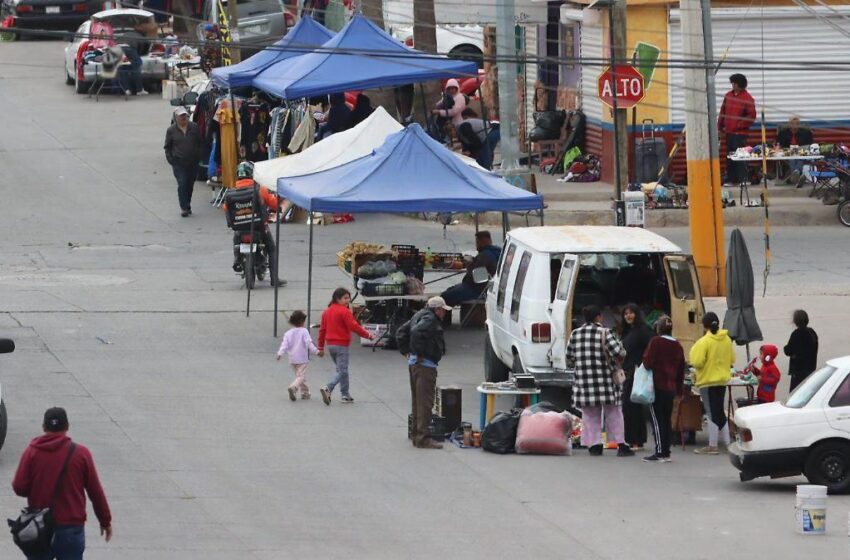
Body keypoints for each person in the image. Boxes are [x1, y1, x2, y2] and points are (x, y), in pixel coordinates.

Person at [12, 407, 112, 560]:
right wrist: (105, 520)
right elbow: (95, 491)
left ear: (44, 427)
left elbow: (19, 487)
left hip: (40, 528)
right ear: (67, 427)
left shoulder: (31, 452)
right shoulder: (81, 453)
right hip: (71, 527)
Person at [566, 305, 633, 457]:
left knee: (590, 414)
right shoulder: (605, 332)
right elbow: (619, 352)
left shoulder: (575, 334)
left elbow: (569, 357)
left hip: (585, 382)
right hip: (606, 382)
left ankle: (594, 445)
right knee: (614, 413)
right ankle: (621, 445)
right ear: (599, 317)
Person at [395, 296, 450, 449]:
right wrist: (418, 353)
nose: (444, 314)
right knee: (425, 402)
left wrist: (407, 352)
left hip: (414, 364)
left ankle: (416, 434)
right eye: (443, 310)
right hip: (425, 365)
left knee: (417, 401)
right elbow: (416, 331)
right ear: (438, 309)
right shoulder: (430, 319)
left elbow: (401, 332)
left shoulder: (418, 314)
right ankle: (423, 438)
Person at [222, 161, 286, 287]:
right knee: (272, 248)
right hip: (259, 227)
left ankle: (237, 259)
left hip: (239, 229)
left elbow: (226, 209)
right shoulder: (260, 189)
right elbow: (274, 203)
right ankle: (274, 279)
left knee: (236, 240)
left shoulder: (231, 191)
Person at [641, 315, 686, 463]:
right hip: (671, 388)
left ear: (658, 328)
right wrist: (680, 392)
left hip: (657, 386)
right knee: (666, 420)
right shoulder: (678, 346)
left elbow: (647, 362)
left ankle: (660, 452)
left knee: (657, 420)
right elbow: (681, 371)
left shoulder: (656, 342)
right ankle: (666, 451)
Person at [689, 312, 734, 455]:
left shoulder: (704, 342)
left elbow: (696, 362)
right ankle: (728, 443)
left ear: (704, 326)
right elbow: (732, 359)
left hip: (707, 381)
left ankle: (712, 445)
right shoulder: (726, 339)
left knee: (711, 412)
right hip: (722, 380)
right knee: (719, 411)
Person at [318, 288, 373, 405]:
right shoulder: (345, 311)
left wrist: (321, 347)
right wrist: (367, 334)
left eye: (348, 298)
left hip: (331, 345)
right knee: (342, 370)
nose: (348, 301)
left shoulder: (326, 312)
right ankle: (328, 387)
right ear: (338, 299)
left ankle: (345, 394)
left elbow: (322, 330)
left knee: (342, 370)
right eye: (345, 298)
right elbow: (354, 326)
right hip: (342, 345)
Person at [619, 304, 654, 451]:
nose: (628, 316)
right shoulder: (628, 331)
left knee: (630, 406)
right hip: (628, 372)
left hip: (638, 372)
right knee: (633, 406)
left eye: (631, 313)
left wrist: (643, 365)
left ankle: (633, 440)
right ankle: (636, 440)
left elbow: (652, 347)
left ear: (637, 314)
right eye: (626, 313)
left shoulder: (643, 330)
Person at [441, 231, 501, 306]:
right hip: (484, 288)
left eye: (477, 242)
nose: (476, 246)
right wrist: (474, 261)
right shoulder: (496, 252)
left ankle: (442, 316)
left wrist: (469, 264)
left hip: (478, 290)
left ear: (480, 242)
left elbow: (478, 278)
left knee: (444, 297)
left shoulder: (484, 256)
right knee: (450, 291)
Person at [164, 106, 203, 217]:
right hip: (178, 163)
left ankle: (187, 204)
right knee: (182, 183)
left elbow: (200, 142)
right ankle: (184, 207)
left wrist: (199, 156)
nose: (183, 118)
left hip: (193, 162)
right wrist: (171, 160)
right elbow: (167, 147)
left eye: (185, 116)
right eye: (181, 116)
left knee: (189, 184)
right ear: (176, 118)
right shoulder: (171, 130)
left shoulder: (194, 127)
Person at [718, 73, 756, 186]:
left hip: (740, 133)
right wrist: (719, 127)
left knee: (740, 156)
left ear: (740, 84)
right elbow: (722, 112)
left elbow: (751, 116)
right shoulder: (728, 96)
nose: (732, 85)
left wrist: (739, 125)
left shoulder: (747, 98)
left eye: (734, 83)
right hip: (729, 133)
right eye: (732, 83)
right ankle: (732, 179)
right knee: (730, 156)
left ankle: (743, 179)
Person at [277, 310, 319, 401]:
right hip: (302, 359)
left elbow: (284, 345)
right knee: (301, 376)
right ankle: (293, 387)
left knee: (299, 376)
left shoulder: (288, 333)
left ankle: (305, 393)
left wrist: (280, 353)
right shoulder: (304, 331)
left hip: (292, 359)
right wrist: (316, 351)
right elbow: (309, 343)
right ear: (302, 321)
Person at [784, 309, 819, 391]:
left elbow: (788, 350)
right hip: (811, 368)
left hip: (798, 371)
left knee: (795, 393)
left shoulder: (796, 334)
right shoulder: (812, 332)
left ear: (795, 321)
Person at [776, 116, 814, 185]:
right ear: (789, 124)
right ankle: (797, 174)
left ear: (799, 125)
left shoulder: (806, 133)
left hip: (802, 154)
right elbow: (778, 145)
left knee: (800, 158)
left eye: (797, 124)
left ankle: (794, 175)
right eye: (792, 123)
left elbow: (810, 145)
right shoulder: (783, 133)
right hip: (788, 154)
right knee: (792, 158)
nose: (795, 125)